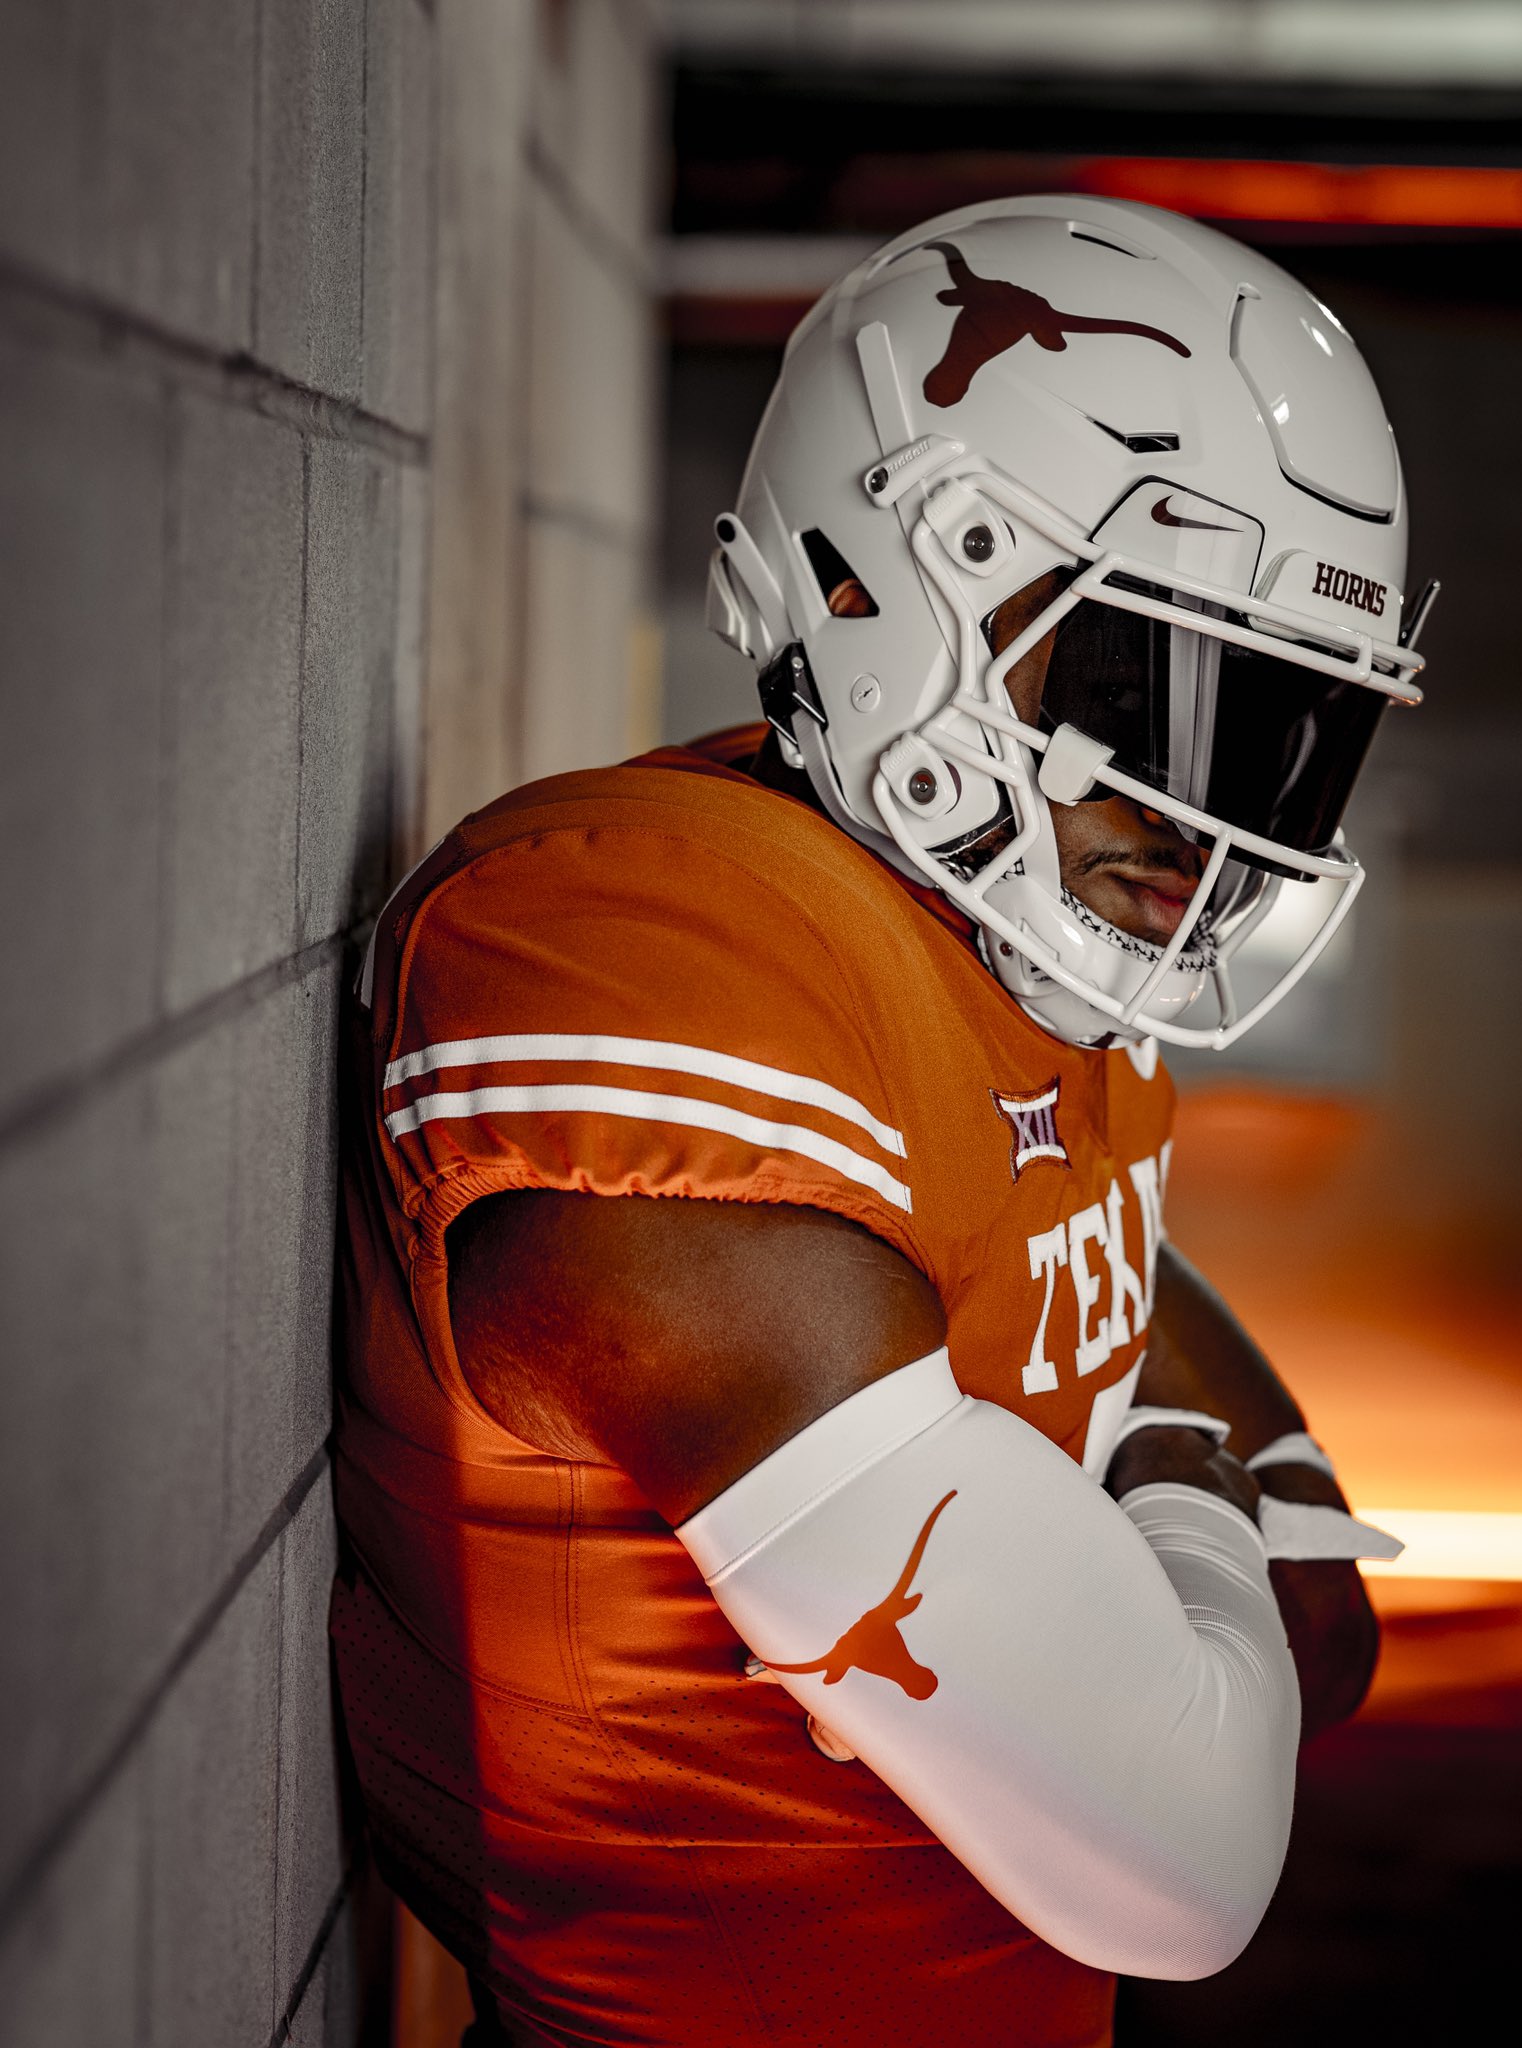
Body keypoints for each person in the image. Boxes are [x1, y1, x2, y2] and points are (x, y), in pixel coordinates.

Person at [332, 196, 1429, 2047]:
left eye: (1281, 729)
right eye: (1137, 684)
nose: (1201, 818)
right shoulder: (643, 936)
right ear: (886, 579)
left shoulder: (1005, 924)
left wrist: (1182, 1538)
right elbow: (1182, 1854)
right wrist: (1192, 1499)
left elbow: (1288, 1602)